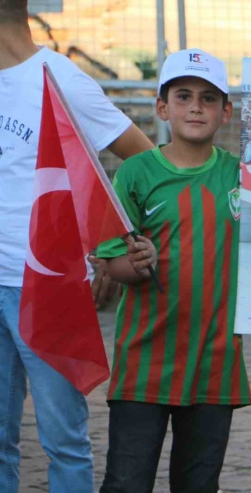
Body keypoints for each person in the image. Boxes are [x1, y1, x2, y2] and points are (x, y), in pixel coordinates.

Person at [0, 1, 153, 490]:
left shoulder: (59, 78)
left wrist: (111, 245)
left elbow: (144, 162)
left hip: (47, 289)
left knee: (63, 440)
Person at [96, 49, 251, 493]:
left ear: (226, 111)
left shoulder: (244, 178)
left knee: (198, 485)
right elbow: (114, 262)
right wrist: (135, 264)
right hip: (144, 359)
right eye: (183, 96)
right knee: (126, 483)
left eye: (208, 97)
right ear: (162, 107)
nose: (196, 107)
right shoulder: (135, 173)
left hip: (215, 360)